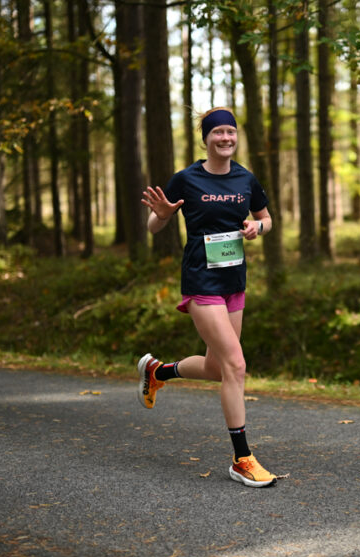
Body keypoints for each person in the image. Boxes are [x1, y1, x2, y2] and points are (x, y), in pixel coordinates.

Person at [138, 107, 277, 488]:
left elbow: (267, 218)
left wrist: (257, 227)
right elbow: (153, 226)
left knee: (218, 368)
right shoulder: (187, 178)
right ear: (206, 139)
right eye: (218, 132)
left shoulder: (246, 179)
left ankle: (158, 371)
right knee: (236, 365)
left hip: (234, 282)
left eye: (231, 131)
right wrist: (163, 214)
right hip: (201, 282)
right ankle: (242, 459)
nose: (225, 138)